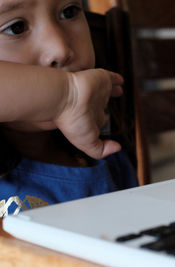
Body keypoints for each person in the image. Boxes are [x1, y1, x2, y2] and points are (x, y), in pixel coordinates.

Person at [0, 0, 138, 217]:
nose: (60, 49)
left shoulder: (110, 157)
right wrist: (68, 93)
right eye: (16, 27)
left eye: (69, 11)